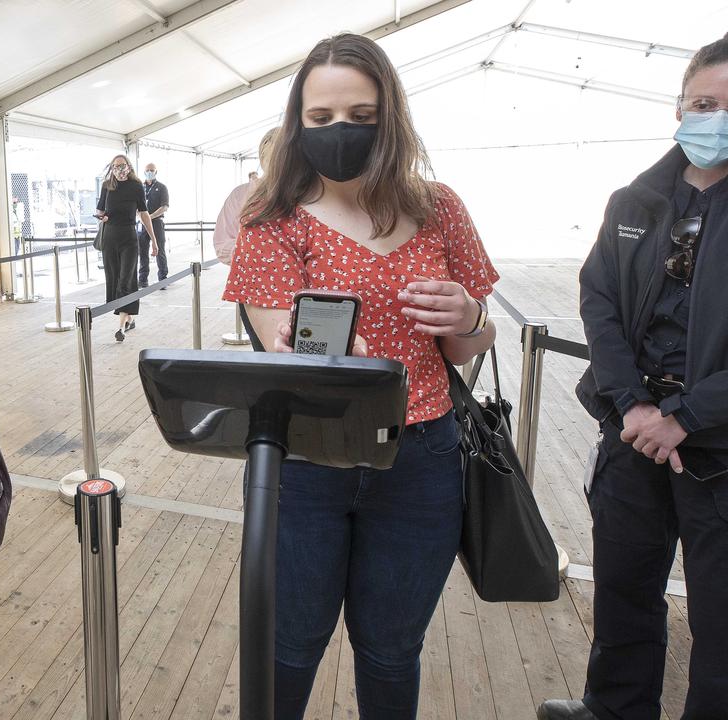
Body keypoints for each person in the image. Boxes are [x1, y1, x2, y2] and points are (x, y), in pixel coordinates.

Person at [222, 34, 499, 719]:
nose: (339, 131)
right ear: (298, 123)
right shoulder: (272, 219)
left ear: (390, 116)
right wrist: (297, 348)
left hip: (423, 456)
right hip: (309, 459)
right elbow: (273, 339)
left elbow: (468, 347)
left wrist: (468, 314)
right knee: (290, 644)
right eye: (320, 119)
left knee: (391, 650)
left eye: (360, 114)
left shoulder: (440, 209)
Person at [539, 22, 728, 720]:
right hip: (633, 433)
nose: (717, 119)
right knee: (625, 592)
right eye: (703, 103)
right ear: (679, 108)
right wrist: (633, 406)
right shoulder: (636, 200)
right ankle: (614, 709)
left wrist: (686, 417)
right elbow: (598, 300)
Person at [213, 127, 280, 351]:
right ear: (263, 157)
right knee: (264, 353)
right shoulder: (240, 196)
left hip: (303, 295)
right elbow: (222, 246)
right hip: (254, 291)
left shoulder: (310, 193)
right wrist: (258, 251)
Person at [95, 154, 157, 342]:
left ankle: (120, 328)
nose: (119, 169)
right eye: (115, 166)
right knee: (114, 278)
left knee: (126, 279)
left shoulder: (136, 186)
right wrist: (102, 217)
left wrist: (154, 240)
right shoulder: (107, 185)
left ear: (128, 166)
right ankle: (128, 318)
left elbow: (143, 213)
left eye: (122, 165)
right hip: (110, 237)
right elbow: (99, 210)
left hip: (129, 237)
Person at [137, 162, 169, 287]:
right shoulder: (140, 187)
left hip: (156, 222)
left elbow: (164, 206)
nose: (149, 172)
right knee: (142, 251)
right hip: (141, 224)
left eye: (152, 170)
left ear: (156, 172)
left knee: (159, 250)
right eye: (147, 170)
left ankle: (163, 279)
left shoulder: (161, 187)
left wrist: (150, 217)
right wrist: (141, 218)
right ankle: (143, 279)